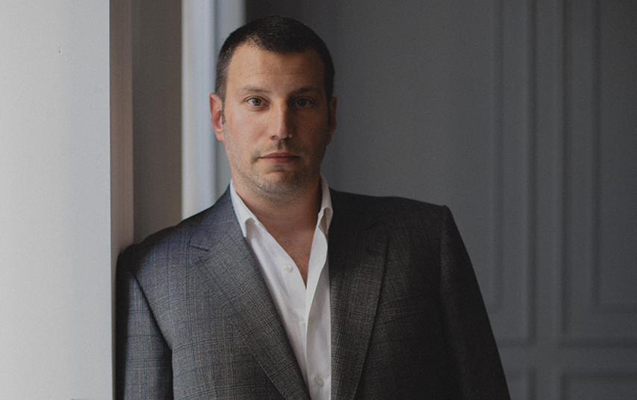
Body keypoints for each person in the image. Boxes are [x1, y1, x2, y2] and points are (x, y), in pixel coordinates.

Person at [116, 15, 510, 400]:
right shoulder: (156, 275)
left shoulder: (424, 239)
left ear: (331, 117)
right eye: (256, 101)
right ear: (219, 118)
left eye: (302, 102)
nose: (281, 128)